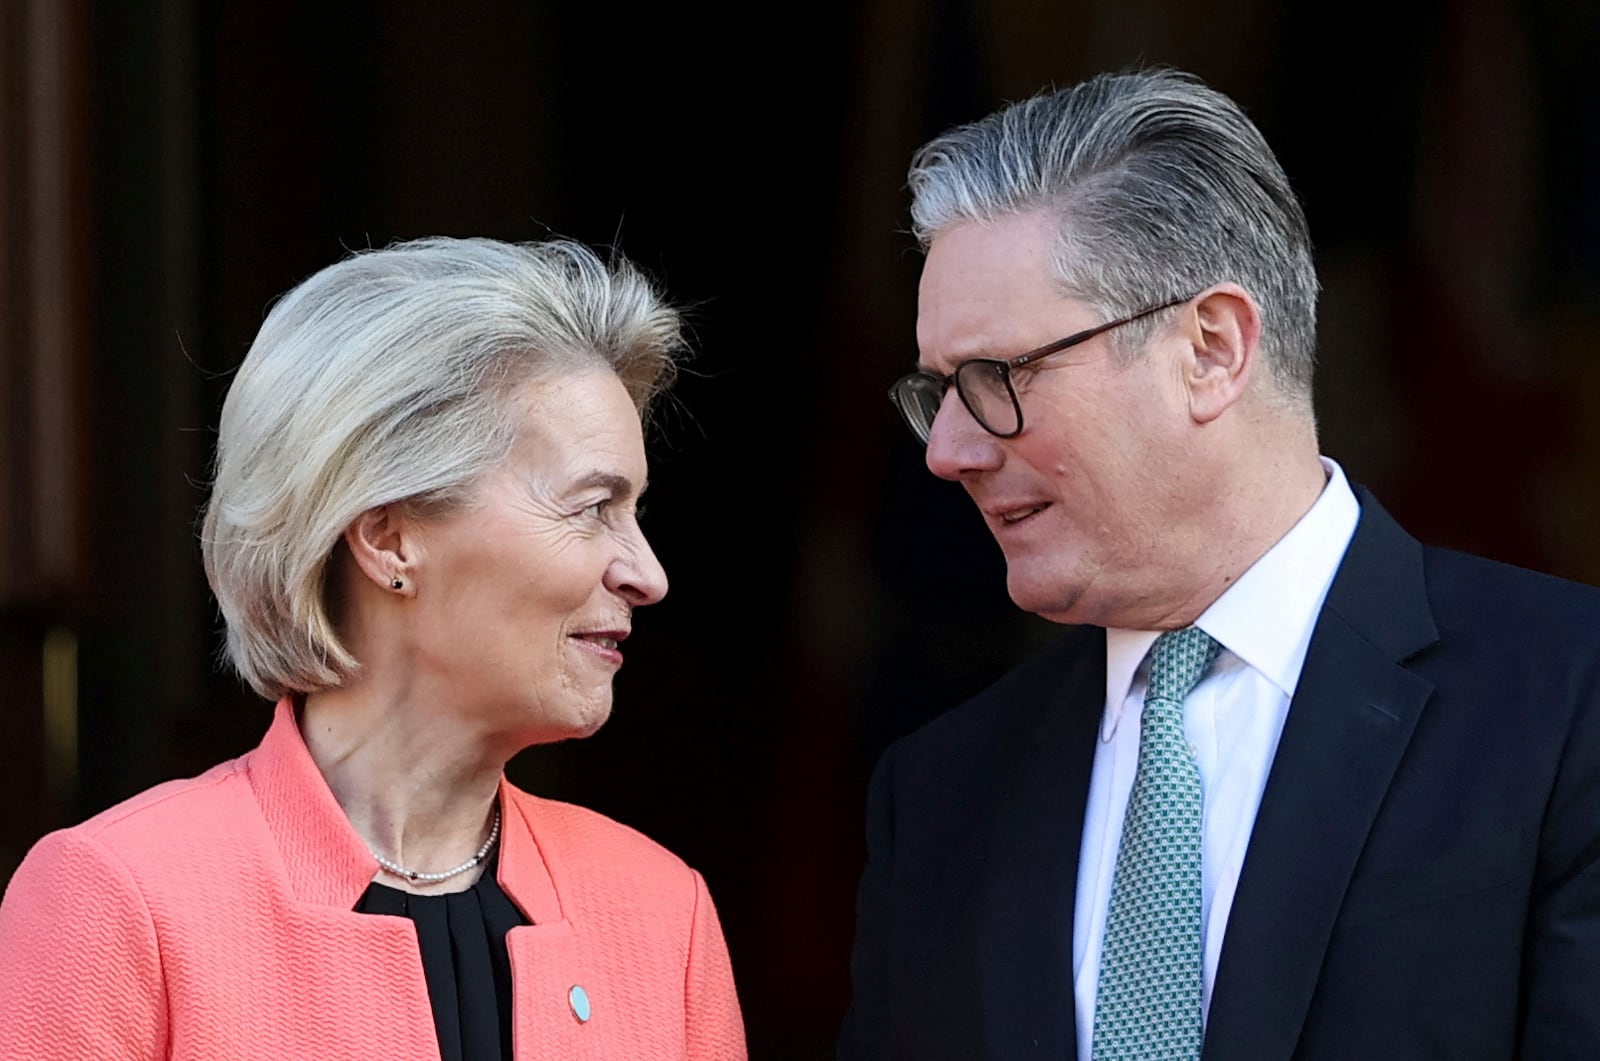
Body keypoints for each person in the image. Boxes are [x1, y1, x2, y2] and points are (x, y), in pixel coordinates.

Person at [839, 68, 1600, 1060]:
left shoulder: (1566, 699)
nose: (947, 450)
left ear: (1209, 347)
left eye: (995, 377)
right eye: (937, 389)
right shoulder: (939, 792)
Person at [0, 237, 747, 1060]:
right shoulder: (118, 900)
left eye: (636, 510)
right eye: (592, 506)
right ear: (389, 537)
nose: (648, 574)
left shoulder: (662, 914)